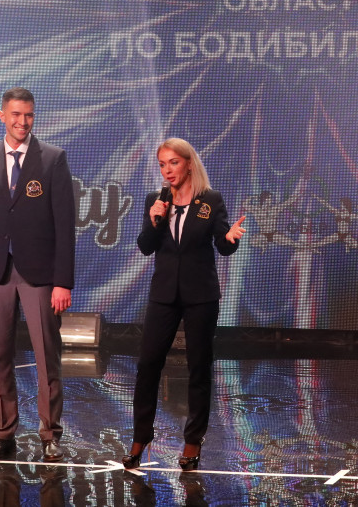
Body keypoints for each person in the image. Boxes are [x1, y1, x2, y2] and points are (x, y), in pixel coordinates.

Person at [0, 87, 76, 463]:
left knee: (47, 356)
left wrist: (63, 281)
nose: (22, 122)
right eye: (15, 115)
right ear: (2, 116)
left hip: (39, 274)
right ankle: (4, 434)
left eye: (28, 115)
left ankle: (50, 435)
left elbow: (65, 225)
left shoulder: (52, 158)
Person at [123, 138, 246, 471]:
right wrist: (154, 219)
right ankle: (140, 438)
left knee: (198, 367)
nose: (167, 171)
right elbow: (145, 246)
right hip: (163, 294)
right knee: (148, 365)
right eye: (162, 165)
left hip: (200, 295)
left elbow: (223, 245)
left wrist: (231, 238)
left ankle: (193, 442)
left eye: (173, 163)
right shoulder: (156, 200)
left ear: (189, 163)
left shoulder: (210, 200)